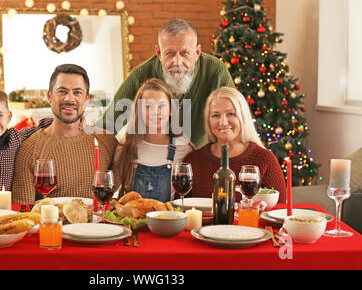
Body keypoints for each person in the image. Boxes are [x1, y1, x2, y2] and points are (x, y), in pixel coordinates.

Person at [96, 18, 234, 149]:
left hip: (200, 160)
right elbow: (106, 126)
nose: (178, 62)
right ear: (159, 53)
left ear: (197, 52)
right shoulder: (140, 75)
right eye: (170, 53)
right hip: (153, 159)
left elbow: (236, 119)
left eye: (185, 53)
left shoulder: (216, 70)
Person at [12, 64, 118, 204]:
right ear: (49, 96)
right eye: (62, 91)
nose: (69, 98)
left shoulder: (108, 142)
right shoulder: (29, 148)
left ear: (86, 99)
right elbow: (22, 211)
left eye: (77, 92)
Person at [183, 86, 286, 203]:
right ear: (208, 120)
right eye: (215, 115)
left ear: (243, 117)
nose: (223, 122)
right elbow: (179, 211)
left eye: (231, 114)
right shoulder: (193, 161)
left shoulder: (265, 159)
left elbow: (279, 211)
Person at [112, 78, 194, 202]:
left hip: (168, 219)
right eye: (148, 106)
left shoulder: (183, 147)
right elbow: (112, 190)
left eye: (161, 105)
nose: (155, 112)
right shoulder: (126, 145)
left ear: (171, 110)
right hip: (132, 219)